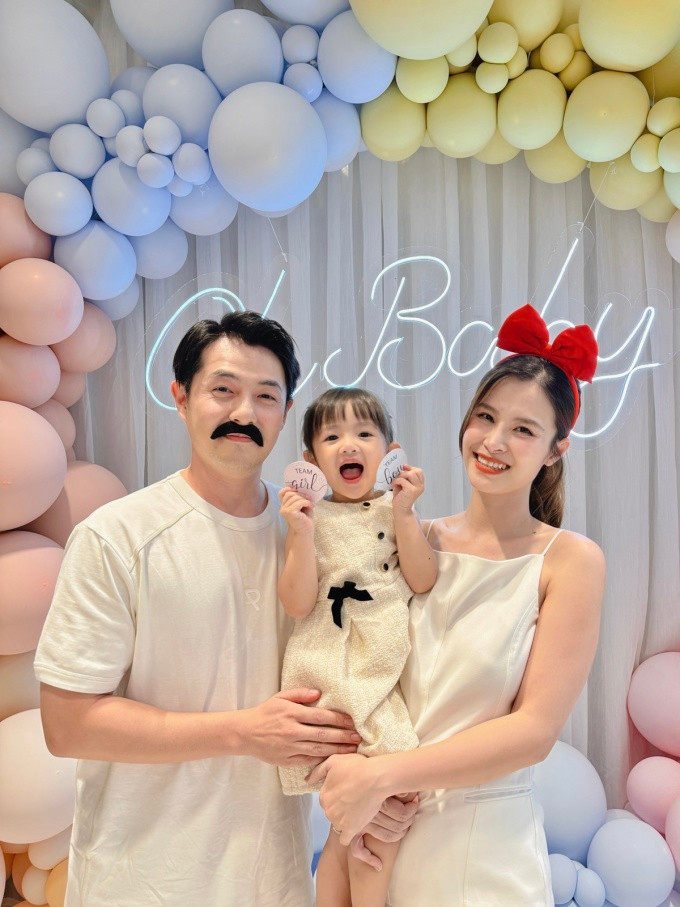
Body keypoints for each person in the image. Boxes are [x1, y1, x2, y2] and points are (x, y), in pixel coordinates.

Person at [34, 312, 415, 907]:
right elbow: (68, 724)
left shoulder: (317, 537)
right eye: (223, 390)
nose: (244, 412)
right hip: (142, 881)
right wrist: (244, 732)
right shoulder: (118, 536)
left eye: (266, 396)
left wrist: (379, 784)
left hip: (275, 878)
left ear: (286, 414)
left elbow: (355, 679)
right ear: (181, 398)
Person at [308, 304, 606, 906]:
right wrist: (346, 779)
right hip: (374, 837)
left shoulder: (569, 561)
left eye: (523, 430)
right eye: (485, 417)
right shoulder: (410, 540)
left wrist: (383, 776)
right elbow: (347, 664)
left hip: (481, 853)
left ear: (556, 450)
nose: (494, 442)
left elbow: (531, 732)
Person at [277, 388, 437, 907]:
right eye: (332, 437)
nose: (349, 444)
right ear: (311, 461)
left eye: (364, 433)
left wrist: (406, 513)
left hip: (379, 675)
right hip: (332, 677)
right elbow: (297, 603)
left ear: (390, 453)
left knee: (348, 830)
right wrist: (300, 533)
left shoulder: (396, 511)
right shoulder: (310, 518)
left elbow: (423, 578)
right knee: (386, 806)